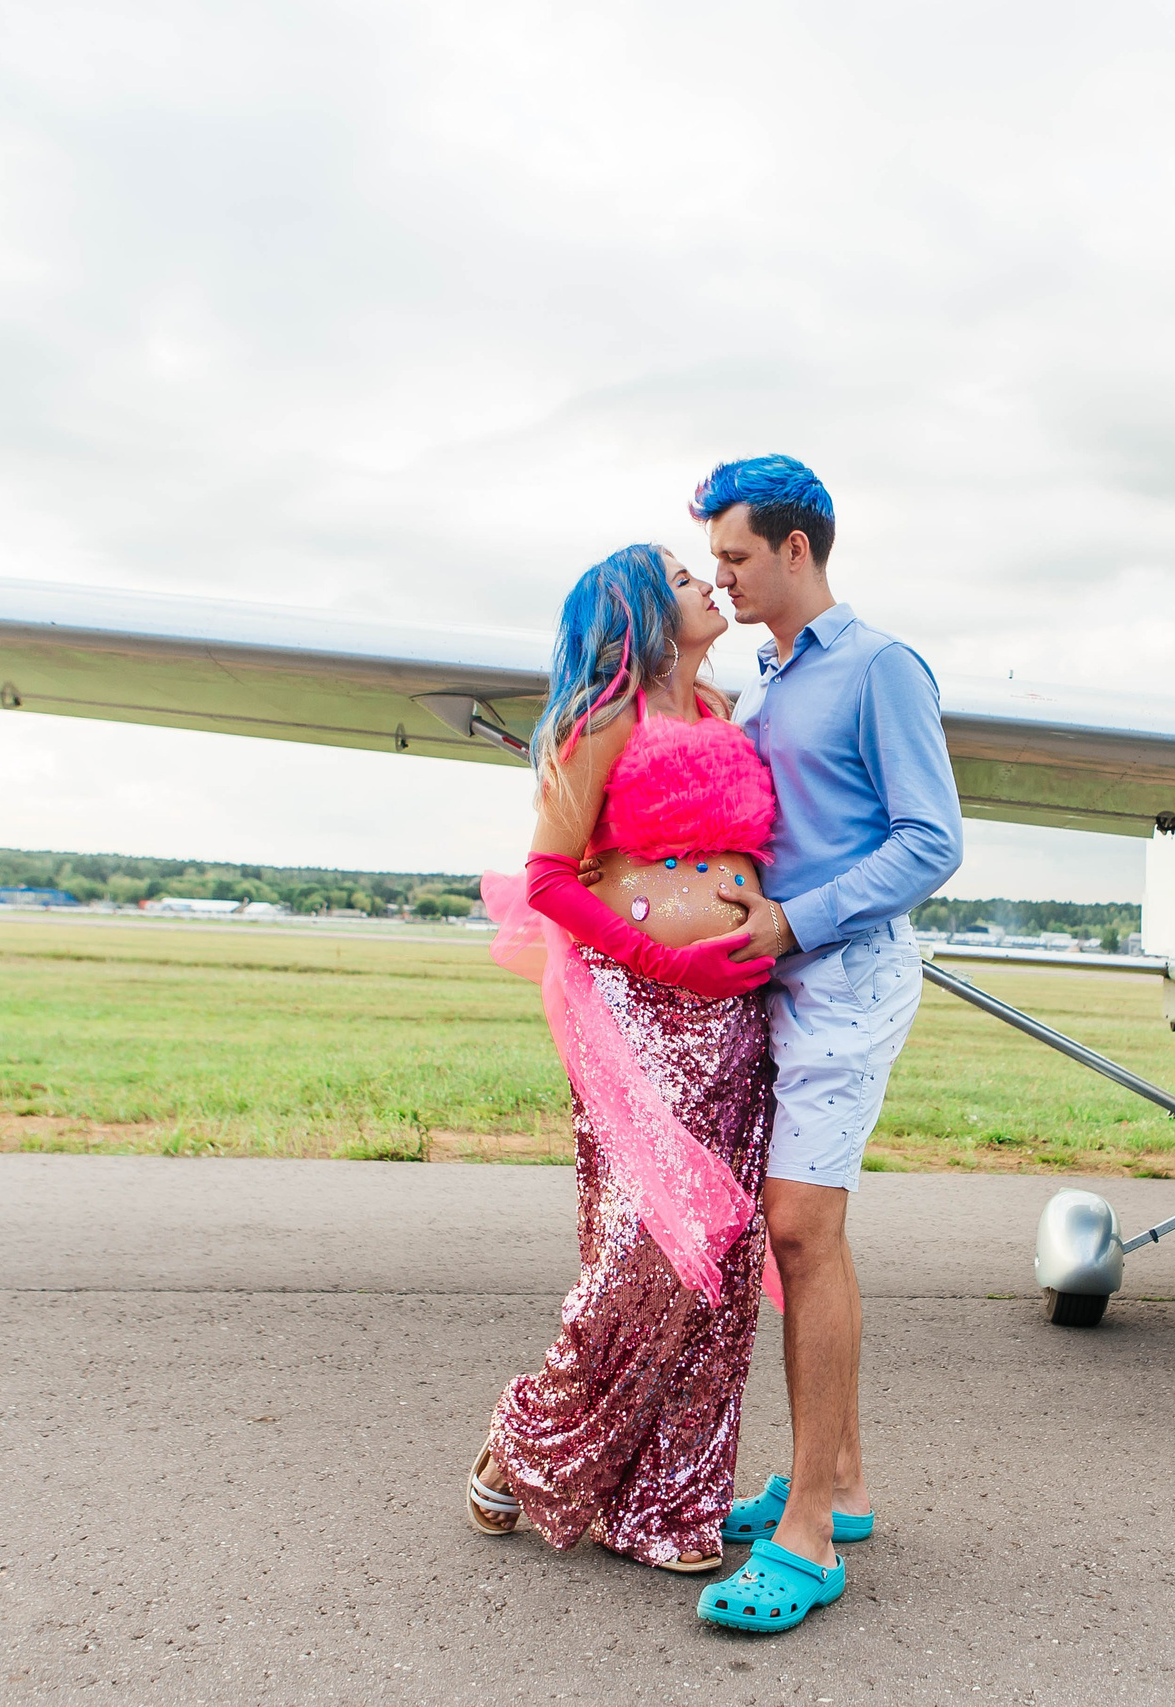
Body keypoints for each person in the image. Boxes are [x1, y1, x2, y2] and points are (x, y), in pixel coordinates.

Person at [683, 456, 965, 1634]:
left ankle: (809, 1538)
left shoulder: (879, 666)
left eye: (737, 556)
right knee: (790, 1237)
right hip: (775, 980)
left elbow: (930, 842)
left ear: (797, 550)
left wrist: (796, 918)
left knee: (803, 1232)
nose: (723, 576)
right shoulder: (765, 675)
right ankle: (837, 1489)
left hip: (845, 976)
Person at [466, 542, 781, 1574]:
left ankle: (669, 1507)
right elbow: (551, 877)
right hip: (640, 1008)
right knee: (646, 1253)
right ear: (642, 611)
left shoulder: (728, 712)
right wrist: (656, 956)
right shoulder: (603, 722)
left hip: (732, 1015)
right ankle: (529, 1439)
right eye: (684, 577)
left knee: (721, 1269)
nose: (705, 584)